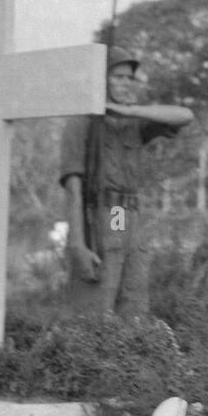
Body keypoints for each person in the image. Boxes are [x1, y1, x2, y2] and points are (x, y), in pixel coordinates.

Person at [59, 45, 193, 319]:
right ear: (101, 79)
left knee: (133, 306)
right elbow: (73, 187)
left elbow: (184, 116)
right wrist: (77, 243)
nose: (126, 84)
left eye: (130, 78)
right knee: (96, 306)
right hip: (101, 215)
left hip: (131, 216)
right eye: (117, 77)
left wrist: (130, 112)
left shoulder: (134, 121)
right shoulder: (81, 120)